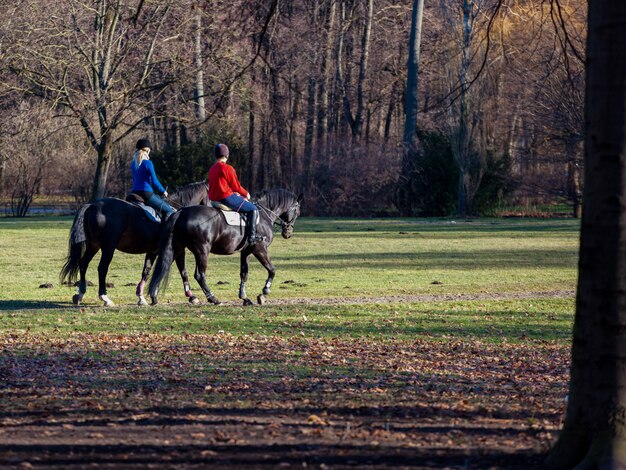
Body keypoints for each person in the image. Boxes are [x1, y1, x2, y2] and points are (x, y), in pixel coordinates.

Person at [208, 143, 264, 245]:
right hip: (226, 198)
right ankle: (252, 237)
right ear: (227, 155)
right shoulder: (228, 168)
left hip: (214, 200)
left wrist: (234, 193)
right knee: (253, 209)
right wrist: (246, 194)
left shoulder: (212, 169)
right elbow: (236, 187)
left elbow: (221, 185)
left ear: (215, 156)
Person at [130, 138, 175, 218]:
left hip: (134, 192)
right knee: (169, 211)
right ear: (147, 150)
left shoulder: (133, 164)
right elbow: (154, 181)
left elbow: (134, 180)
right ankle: (164, 230)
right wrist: (163, 191)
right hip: (146, 193)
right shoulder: (148, 163)